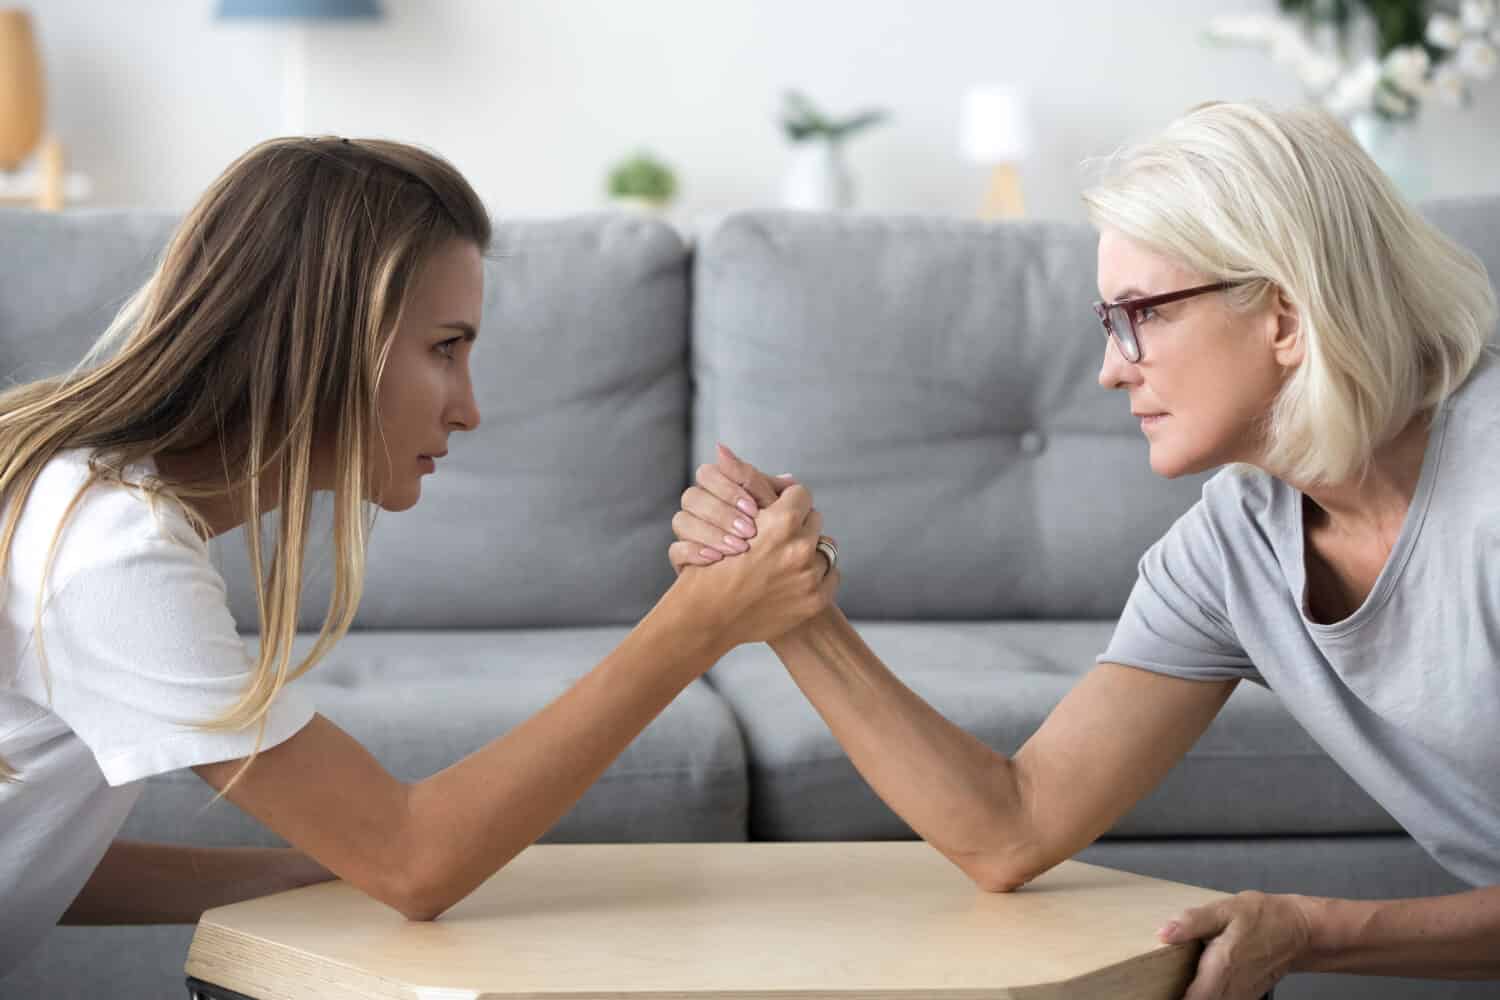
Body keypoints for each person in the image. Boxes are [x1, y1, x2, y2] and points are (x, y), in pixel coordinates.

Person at [669, 102, 1500, 999]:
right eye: (1110, 323)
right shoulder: (1232, 549)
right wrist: (793, 607)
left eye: (1141, 314)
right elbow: (1013, 827)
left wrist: (1314, 931)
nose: (1111, 368)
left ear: (1287, 317)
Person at [0, 136, 839, 977]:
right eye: (446, 348)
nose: (469, 410)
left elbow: (30, 856)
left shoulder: (72, 493)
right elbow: (413, 860)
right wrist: (697, 624)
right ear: (320, 338)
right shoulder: (113, 554)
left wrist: (321, 867)